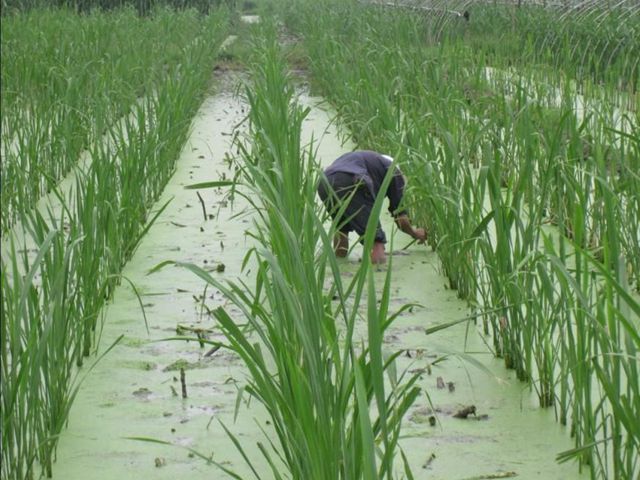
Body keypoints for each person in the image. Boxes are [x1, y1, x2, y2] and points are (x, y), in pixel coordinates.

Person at [317, 150, 426, 264]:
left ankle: (339, 266)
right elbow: (401, 219)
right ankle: (378, 273)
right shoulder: (394, 172)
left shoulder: (370, 163)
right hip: (352, 179)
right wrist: (415, 233)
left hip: (324, 182)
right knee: (375, 236)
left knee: (341, 227)